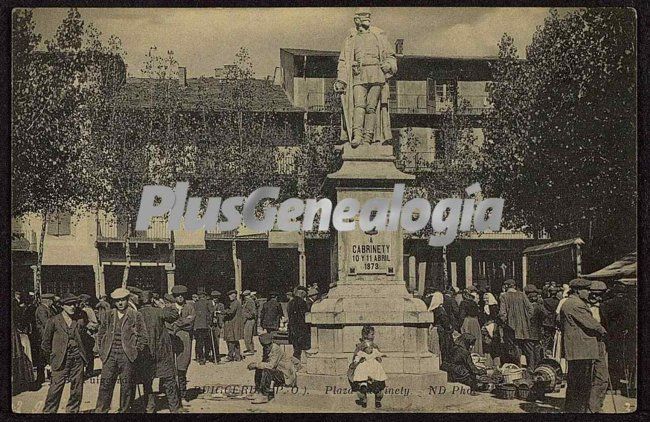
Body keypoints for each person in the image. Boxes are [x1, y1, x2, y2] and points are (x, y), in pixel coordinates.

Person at [334, 8, 396, 148]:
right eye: (363, 16)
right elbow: (343, 61)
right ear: (356, 20)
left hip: (376, 73)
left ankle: (368, 138)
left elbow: (391, 56)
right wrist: (341, 80)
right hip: (358, 74)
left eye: (368, 16)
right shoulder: (350, 39)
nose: (367, 18)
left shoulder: (379, 36)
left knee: (371, 108)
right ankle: (357, 136)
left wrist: (388, 65)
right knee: (359, 106)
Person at [95, 288, 148, 413]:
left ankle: (124, 411)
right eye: (117, 301)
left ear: (127, 300)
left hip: (127, 356)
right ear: (114, 302)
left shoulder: (135, 315)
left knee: (127, 386)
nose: (120, 303)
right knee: (105, 385)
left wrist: (136, 351)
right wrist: (102, 351)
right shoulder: (109, 314)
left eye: (123, 300)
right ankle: (101, 411)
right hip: (110, 355)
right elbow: (101, 333)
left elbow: (143, 336)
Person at [560, 278, 607, 413]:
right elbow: (591, 323)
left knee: (575, 382)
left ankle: (572, 409)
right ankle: (578, 411)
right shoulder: (576, 304)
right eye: (586, 290)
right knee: (581, 383)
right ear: (578, 290)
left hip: (577, 348)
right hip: (581, 348)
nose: (588, 293)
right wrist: (603, 331)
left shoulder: (569, 302)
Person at [136, 290, 186, 413]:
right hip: (162, 351)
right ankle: (174, 408)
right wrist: (162, 305)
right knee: (169, 379)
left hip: (146, 352)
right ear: (152, 300)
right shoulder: (159, 312)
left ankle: (150, 407)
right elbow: (175, 315)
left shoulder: (136, 314)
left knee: (148, 381)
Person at [41, 294, 88, 413]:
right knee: (55, 389)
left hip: (77, 358)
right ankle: (49, 412)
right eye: (69, 304)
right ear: (62, 306)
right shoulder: (53, 320)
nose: (72, 307)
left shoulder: (79, 319)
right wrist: (50, 360)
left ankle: (72, 411)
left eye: (74, 304)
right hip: (60, 359)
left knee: (77, 388)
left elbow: (84, 338)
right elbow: (46, 343)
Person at [247, 332, 297, 404]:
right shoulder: (266, 349)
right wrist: (257, 365)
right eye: (265, 346)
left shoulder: (276, 349)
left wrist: (256, 364)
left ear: (271, 342)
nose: (267, 347)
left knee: (267, 371)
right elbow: (264, 363)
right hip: (278, 371)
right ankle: (258, 391)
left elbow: (271, 365)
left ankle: (264, 395)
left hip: (286, 375)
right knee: (259, 368)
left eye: (268, 345)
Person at [348, 325, 387, 408]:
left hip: (367, 366)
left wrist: (378, 357)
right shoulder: (362, 345)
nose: (373, 336)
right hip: (370, 365)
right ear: (366, 335)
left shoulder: (372, 345)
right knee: (374, 377)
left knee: (363, 377)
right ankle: (374, 398)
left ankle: (365, 393)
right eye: (372, 334)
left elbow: (377, 354)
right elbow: (357, 355)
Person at [499, 279, 534, 366]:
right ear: (514, 286)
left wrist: (505, 322)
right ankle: (531, 367)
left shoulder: (504, 296)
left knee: (515, 347)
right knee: (527, 347)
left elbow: (502, 313)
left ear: (506, 286)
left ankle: (518, 367)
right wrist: (526, 319)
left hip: (511, 326)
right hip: (524, 326)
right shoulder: (522, 295)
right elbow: (531, 309)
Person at [586, 280, 609, 413]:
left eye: (600, 295)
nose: (597, 297)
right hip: (586, 344)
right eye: (594, 295)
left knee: (601, 376)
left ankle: (595, 406)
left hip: (600, 343)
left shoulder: (604, 307)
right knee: (587, 376)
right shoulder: (582, 306)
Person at [170, 285, 195, 403]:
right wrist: (183, 322)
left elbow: (190, 323)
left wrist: (176, 323)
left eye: (182, 295)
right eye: (177, 295)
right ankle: (172, 395)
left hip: (185, 338)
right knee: (170, 366)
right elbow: (167, 324)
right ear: (174, 297)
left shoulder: (190, 308)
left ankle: (183, 394)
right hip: (171, 339)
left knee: (182, 366)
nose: (180, 297)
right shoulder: (169, 308)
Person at [34, 292, 56, 384]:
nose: (53, 302)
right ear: (48, 301)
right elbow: (46, 323)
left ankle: (47, 377)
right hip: (44, 336)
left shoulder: (47, 308)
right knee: (44, 357)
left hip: (47, 336)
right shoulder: (41, 309)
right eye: (52, 300)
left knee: (45, 357)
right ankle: (42, 378)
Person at [523, 285, 545, 369]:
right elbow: (544, 315)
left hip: (528, 331)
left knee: (529, 351)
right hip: (537, 331)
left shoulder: (526, 307)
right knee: (537, 351)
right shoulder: (539, 306)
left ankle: (531, 367)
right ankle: (538, 366)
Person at [428, 291, 453, 364]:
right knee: (440, 348)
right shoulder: (441, 310)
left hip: (434, 330)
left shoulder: (432, 309)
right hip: (440, 331)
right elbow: (445, 322)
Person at [287, 286, 310, 361]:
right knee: (301, 349)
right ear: (302, 293)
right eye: (305, 294)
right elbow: (304, 316)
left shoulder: (291, 302)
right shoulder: (302, 302)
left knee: (296, 348)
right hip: (301, 328)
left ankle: (296, 363)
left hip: (292, 328)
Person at [78, 293, 98, 377]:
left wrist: (87, 326)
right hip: (82, 334)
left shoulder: (88, 310)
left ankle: (89, 371)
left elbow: (94, 323)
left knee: (89, 353)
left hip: (88, 334)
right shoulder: (79, 310)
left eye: (82, 301)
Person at [222, 289, 244, 362]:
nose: (229, 297)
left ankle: (230, 356)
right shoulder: (235, 302)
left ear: (234, 296)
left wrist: (222, 312)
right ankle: (237, 357)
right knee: (235, 340)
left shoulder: (235, 303)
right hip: (234, 324)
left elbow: (231, 312)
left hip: (233, 324)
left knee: (231, 340)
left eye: (231, 295)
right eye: (229, 295)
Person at [459, 289, 483, 355]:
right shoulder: (474, 303)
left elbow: (462, 315)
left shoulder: (463, 303)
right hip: (475, 322)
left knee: (467, 338)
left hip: (467, 321)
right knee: (476, 338)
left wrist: (459, 325)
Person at [193, 289, 214, 365]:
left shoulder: (195, 304)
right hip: (205, 325)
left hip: (197, 326)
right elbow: (211, 313)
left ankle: (200, 358)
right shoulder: (208, 303)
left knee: (199, 342)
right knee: (207, 342)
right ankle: (207, 356)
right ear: (204, 296)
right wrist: (210, 323)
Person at [209, 290, 225, 363]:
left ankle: (217, 357)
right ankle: (209, 355)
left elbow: (223, 313)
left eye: (217, 297)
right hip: (209, 325)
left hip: (217, 325)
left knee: (216, 341)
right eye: (214, 297)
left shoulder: (221, 305)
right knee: (208, 341)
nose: (215, 299)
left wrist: (219, 313)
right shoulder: (208, 304)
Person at [242, 290, 257, 355]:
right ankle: (249, 349)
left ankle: (251, 350)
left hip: (249, 320)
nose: (245, 297)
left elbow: (253, 313)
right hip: (248, 320)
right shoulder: (247, 301)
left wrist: (246, 316)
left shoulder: (250, 301)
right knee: (247, 335)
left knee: (248, 335)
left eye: (245, 296)